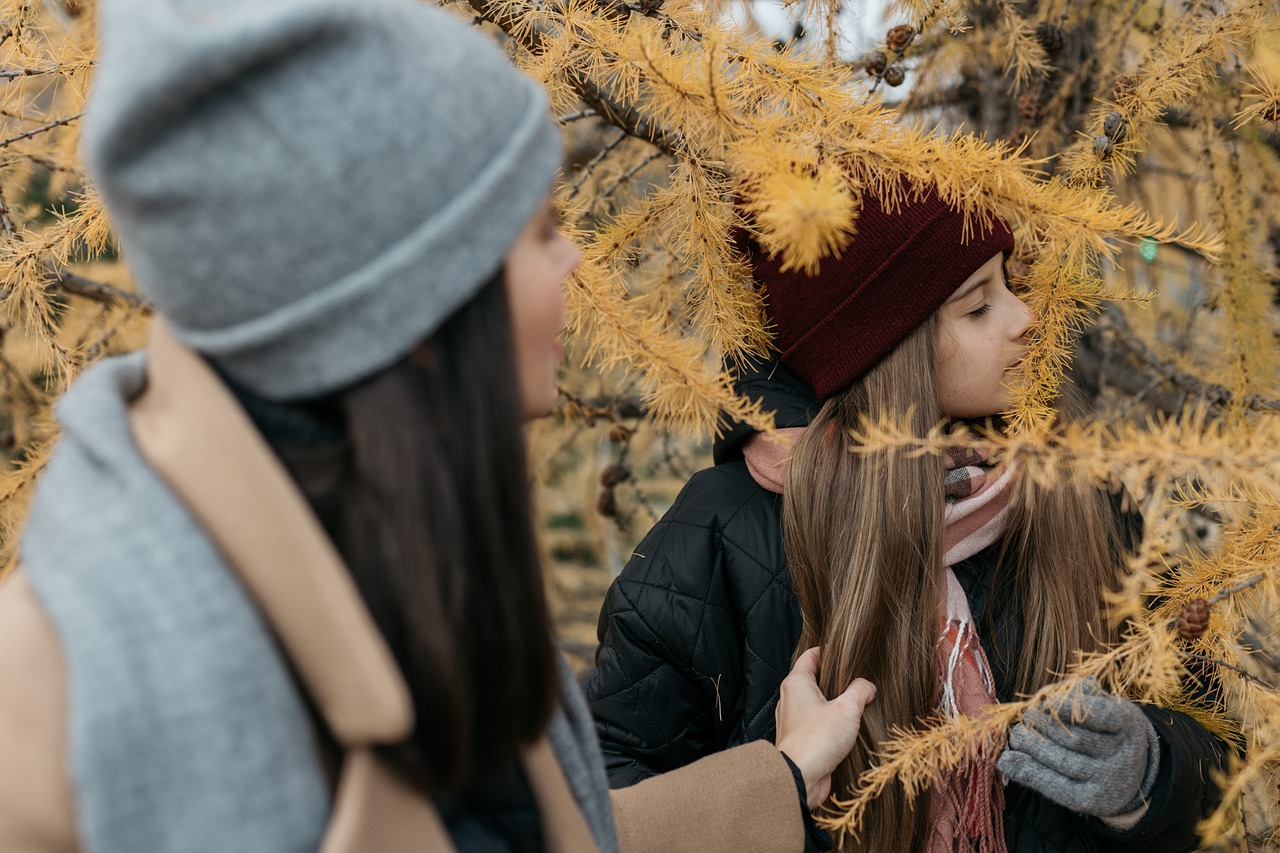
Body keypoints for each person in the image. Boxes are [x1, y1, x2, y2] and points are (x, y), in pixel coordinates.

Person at [0, 1, 876, 851]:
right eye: (540, 231)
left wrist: (784, 777)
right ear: (412, 307)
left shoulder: (396, 541)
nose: (574, 260)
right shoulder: (61, 705)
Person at [583, 186, 1229, 852]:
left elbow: (1216, 741)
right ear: (887, 351)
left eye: (1011, 285)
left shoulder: (1078, 493)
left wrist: (1151, 773)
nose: (1025, 316)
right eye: (978, 306)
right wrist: (777, 790)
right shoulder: (724, 532)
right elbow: (613, 793)